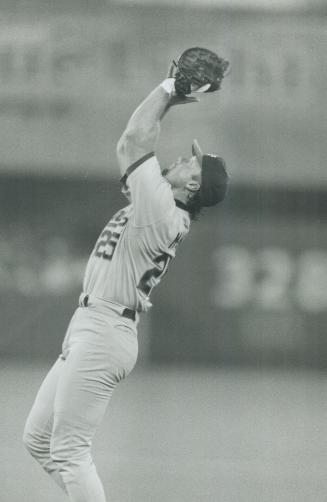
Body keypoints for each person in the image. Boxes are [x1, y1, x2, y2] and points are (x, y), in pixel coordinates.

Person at [23, 66, 229, 502]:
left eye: (192, 161)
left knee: (69, 451)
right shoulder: (161, 204)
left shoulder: (159, 207)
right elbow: (138, 140)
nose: (182, 158)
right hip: (92, 326)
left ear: (193, 185)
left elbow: (132, 141)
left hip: (104, 332)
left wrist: (170, 88)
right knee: (39, 442)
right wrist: (168, 100)